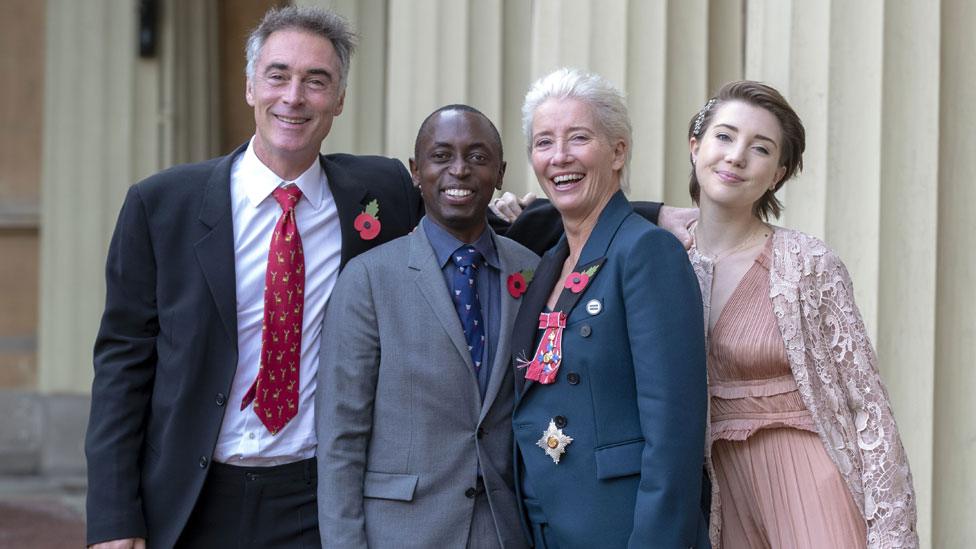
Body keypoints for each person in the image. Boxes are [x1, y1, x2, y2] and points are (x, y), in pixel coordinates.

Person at [83, 7, 426, 548]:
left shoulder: (383, 193)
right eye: (278, 75)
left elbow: (464, 220)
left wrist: (547, 215)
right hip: (192, 499)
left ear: (339, 100)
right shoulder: (161, 205)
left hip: (320, 500)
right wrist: (112, 518)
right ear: (250, 86)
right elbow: (122, 368)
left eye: (317, 81)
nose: (294, 96)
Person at [685, 80, 918, 548]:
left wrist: (893, 536)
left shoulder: (807, 262)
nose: (736, 156)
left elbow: (867, 407)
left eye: (761, 148)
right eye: (725, 137)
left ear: (778, 174)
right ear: (696, 147)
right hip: (723, 500)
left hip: (813, 486)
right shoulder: (663, 261)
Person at [316, 105, 537, 548]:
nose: (459, 170)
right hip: (401, 533)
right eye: (441, 156)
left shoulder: (531, 272)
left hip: (505, 530)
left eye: (477, 157)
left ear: (500, 172)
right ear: (417, 171)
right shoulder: (368, 280)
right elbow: (341, 437)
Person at [510, 67, 709, 548]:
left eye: (578, 138)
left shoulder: (647, 251)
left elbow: (674, 435)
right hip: (542, 525)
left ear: (618, 151)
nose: (559, 157)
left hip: (621, 528)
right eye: (543, 143)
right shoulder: (550, 261)